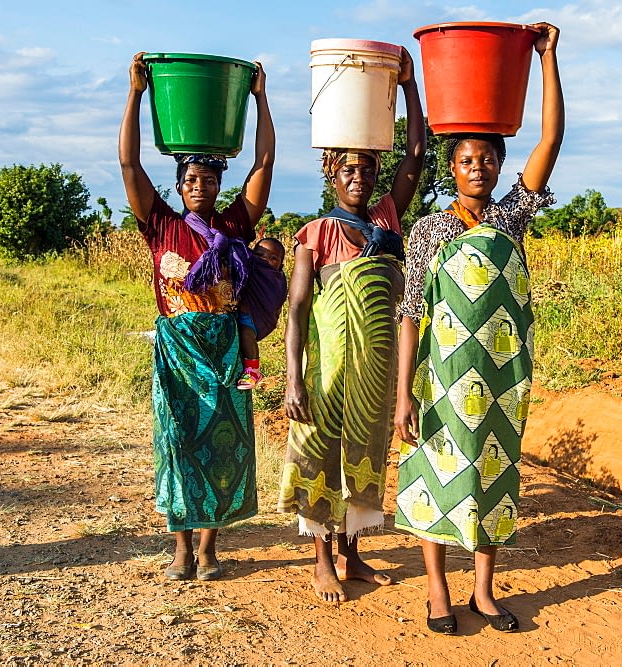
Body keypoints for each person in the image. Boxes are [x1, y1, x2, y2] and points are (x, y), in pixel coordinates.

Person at [392, 22, 564, 633]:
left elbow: (550, 139)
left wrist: (547, 59)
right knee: (433, 479)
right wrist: (402, 394)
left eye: (488, 159)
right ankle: (438, 590)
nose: (478, 168)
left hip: (496, 378)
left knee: (492, 475)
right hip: (440, 380)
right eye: (467, 160)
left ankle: (483, 591)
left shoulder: (512, 216)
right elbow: (412, 310)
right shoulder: (429, 231)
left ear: (498, 164)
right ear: (453, 167)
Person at [119, 51, 275, 581]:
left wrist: (259, 98)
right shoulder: (160, 224)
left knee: (224, 445)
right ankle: (181, 546)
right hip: (178, 348)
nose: (201, 187)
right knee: (178, 439)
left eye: (209, 179)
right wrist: (136, 93)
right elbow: (128, 166)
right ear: (180, 186)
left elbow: (264, 167)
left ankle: (209, 547)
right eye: (191, 180)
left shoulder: (233, 226)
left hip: (225, 346)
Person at [279, 46, 425, 603]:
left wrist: (409, 87)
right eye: (348, 169)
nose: (358, 177)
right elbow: (296, 310)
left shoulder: (388, 218)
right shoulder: (314, 233)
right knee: (323, 455)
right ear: (331, 176)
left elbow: (417, 151)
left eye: (366, 168)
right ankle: (322, 561)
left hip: (375, 371)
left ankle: (354, 554)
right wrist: (293, 378)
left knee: (364, 453)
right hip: (329, 371)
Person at [236, 236, 287, 390]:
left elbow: (274, 300)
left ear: (280, 265)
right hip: (236, 314)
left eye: (272, 258)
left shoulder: (276, 280)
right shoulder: (247, 265)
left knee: (246, 334)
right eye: (259, 255)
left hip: (253, 317)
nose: (264, 260)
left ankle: (253, 370)